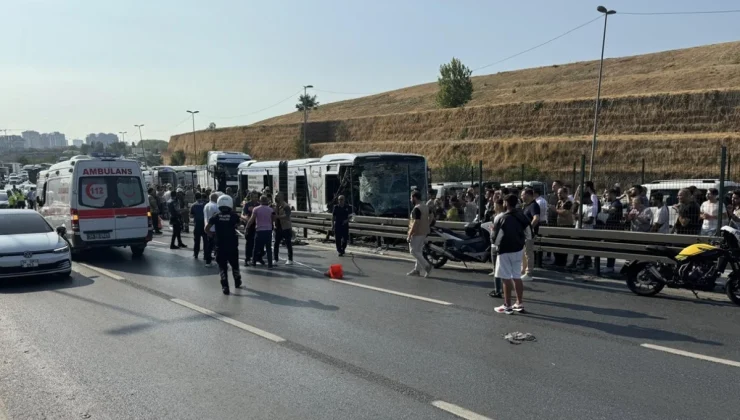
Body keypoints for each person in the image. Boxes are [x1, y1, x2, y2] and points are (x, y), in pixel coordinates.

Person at [492, 194, 532, 315]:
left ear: (506, 203)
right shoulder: (522, 216)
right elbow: (529, 234)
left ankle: (507, 305)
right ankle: (519, 303)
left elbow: (495, 239)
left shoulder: (501, 217)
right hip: (518, 249)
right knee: (517, 276)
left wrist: (493, 240)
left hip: (504, 250)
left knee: (505, 277)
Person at [205, 194, 242, 295]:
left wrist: (211, 235)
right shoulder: (234, 216)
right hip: (232, 245)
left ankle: (225, 287)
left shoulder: (216, 216)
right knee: (235, 265)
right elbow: (238, 224)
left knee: (222, 267)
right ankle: (237, 281)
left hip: (220, 245)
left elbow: (206, 229)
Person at [407, 190, 432, 278]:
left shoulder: (417, 208)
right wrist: (427, 224)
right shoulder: (425, 206)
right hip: (424, 232)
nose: (410, 200)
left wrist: (410, 235)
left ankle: (426, 266)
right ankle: (417, 270)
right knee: (419, 251)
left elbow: (415, 223)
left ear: (414, 198)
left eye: (411, 198)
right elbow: (432, 216)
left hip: (417, 233)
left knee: (413, 251)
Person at [248, 195, 276, 268]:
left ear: (259, 201)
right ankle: (270, 264)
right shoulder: (270, 210)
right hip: (268, 230)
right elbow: (274, 219)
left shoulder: (256, 209)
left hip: (259, 230)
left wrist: (247, 227)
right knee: (268, 248)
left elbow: (252, 219)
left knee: (256, 247)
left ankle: (253, 262)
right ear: (267, 201)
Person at [520, 188, 540, 281]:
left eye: (522, 194)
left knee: (528, 252)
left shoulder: (534, 206)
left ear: (528, 195)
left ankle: (529, 272)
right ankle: (523, 270)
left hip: (529, 234)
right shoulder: (526, 206)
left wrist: (529, 229)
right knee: (523, 252)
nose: (521, 196)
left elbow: (536, 218)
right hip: (525, 233)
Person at [603, 188, 624, 273]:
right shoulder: (613, 203)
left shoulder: (617, 203)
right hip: (610, 227)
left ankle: (610, 267)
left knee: (611, 248)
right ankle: (609, 266)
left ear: (612, 194)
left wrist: (606, 210)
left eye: (607, 194)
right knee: (609, 247)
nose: (606, 196)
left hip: (614, 228)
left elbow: (613, 210)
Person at [273, 192, 294, 265]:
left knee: (288, 243)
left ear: (282, 197)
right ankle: (275, 259)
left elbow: (287, 215)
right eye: (275, 196)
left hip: (286, 227)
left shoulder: (286, 206)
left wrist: (277, 217)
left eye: (277, 196)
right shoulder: (275, 205)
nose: (276, 198)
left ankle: (290, 259)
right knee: (276, 244)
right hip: (278, 227)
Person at [241, 191, 261, 265]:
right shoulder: (247, 204)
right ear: (251, 197)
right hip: (249, 225)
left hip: (257, 226)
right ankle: (247, 259)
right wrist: (247, 220)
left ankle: (258, 258)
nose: (255, 198)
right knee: (249, 243)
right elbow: (243, 214)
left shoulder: (259, 205)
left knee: (258, 243)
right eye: (254, 197)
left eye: (256, 197)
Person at [202, 193, 220, 267]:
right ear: (215, 198)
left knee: (209, 246)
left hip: (208, 228)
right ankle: (219, 261)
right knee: (218, 246)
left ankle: (208, 261)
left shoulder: (206, 206)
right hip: (215, 228)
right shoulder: (216, 206)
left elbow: (205, 217)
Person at [190, 192, 207, 259]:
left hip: (197, 224)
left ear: (195, 197)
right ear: (201, 197)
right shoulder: (205, 204)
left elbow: (191, 215)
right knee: (205, 240)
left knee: (197, 240)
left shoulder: (193, 205)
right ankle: (205, 254)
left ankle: (196, 253)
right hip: (204, 224)